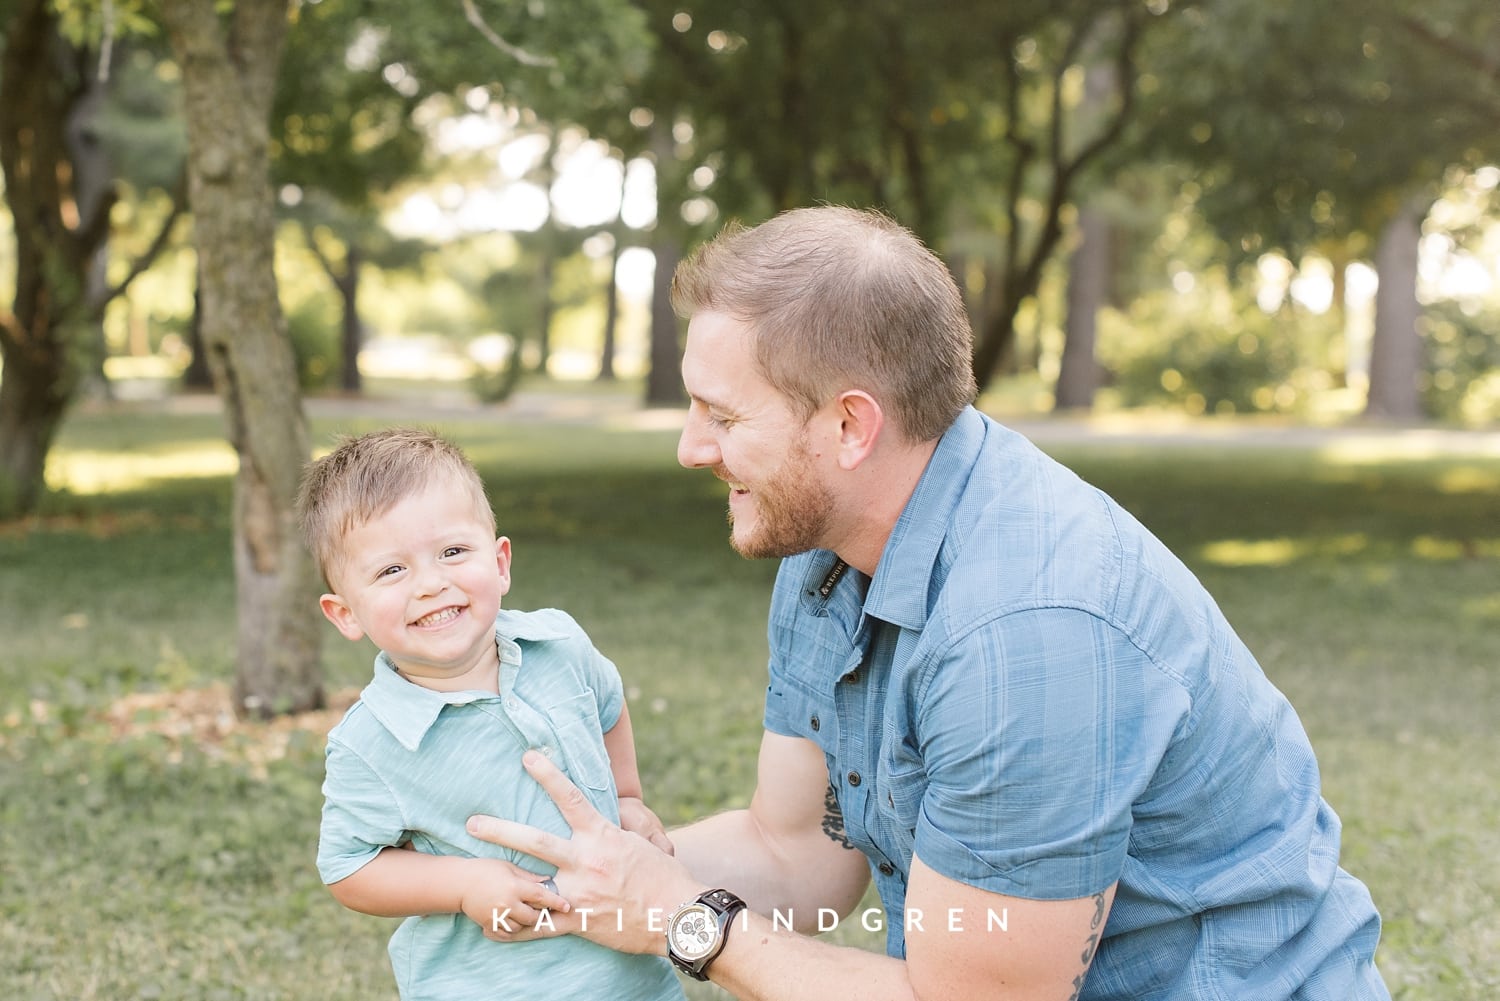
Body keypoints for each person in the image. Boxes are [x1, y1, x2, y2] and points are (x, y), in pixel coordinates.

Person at [465, 206, 1391, 1000]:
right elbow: (796, 854)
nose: (689, 448)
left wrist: (683, 918)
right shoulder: (833, 539)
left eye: (723, 414)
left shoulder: (1025, 631)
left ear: (850, 425)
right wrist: (586, 871)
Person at [296, 427, 685, 1001]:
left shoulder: (559, 644)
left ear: (500, 563)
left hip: (629, 976)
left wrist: (625, 797)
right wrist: (463, 883)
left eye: (453, 552)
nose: (432, 583)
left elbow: (607, 703)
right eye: (391, 571)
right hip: (486, 984)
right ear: (345, 613)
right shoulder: (372, 741)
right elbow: (350, 867)